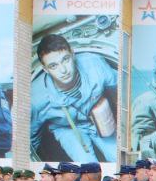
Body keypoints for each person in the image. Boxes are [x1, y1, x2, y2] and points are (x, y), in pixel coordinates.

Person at [29, 33, 117, 162]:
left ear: (73, 54)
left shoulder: (95, 64)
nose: (63, 70)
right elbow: (32, 138)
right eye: (53, 66)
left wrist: (119, 119)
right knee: (88, 167)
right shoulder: (36, 98)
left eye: (65, 59)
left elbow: (118, 88)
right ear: (45, 69)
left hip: (98, 115)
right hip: (66, 128)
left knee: (117, 157)